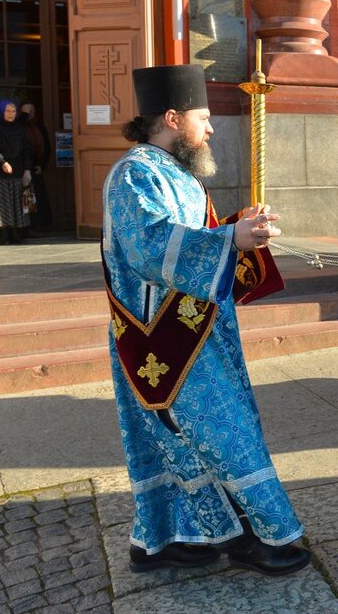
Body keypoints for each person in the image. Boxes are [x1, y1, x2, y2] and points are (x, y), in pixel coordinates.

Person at [103, 63, 309, 576]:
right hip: (162, 338)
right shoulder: (136, 172)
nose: (212, 128)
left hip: (197, 331)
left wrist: (238, 229)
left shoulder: (174, 171)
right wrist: (227, 242)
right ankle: (266, 537)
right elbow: (148, 247)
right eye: (203, 117)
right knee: (220, 433)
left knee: (191, 438)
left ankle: (177, 537)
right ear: (172, 117)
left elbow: (196, 235)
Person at [0, 99, 34, 245]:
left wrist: (27, 169)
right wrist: (2, 162)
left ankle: (16, 232)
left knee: (17, 203)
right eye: (7, 111)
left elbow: (26, 149)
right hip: (0, 170)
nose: (11, 114)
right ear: (1, 112)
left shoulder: (19, 129)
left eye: (13, 111)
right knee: (4, 204)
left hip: (18, 170)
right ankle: (5, 234)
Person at [19, 102, 53, 233]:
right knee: (25, 199)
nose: (28, 113)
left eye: (31, 110)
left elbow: (47, 148)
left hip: (36, 169)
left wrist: (42, 165)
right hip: (21, 169)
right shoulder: (19, 127)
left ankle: (40, 226)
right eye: (25, 111)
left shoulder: (39, 127)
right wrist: (23, 116)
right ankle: (27, 228)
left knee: (38, 199)